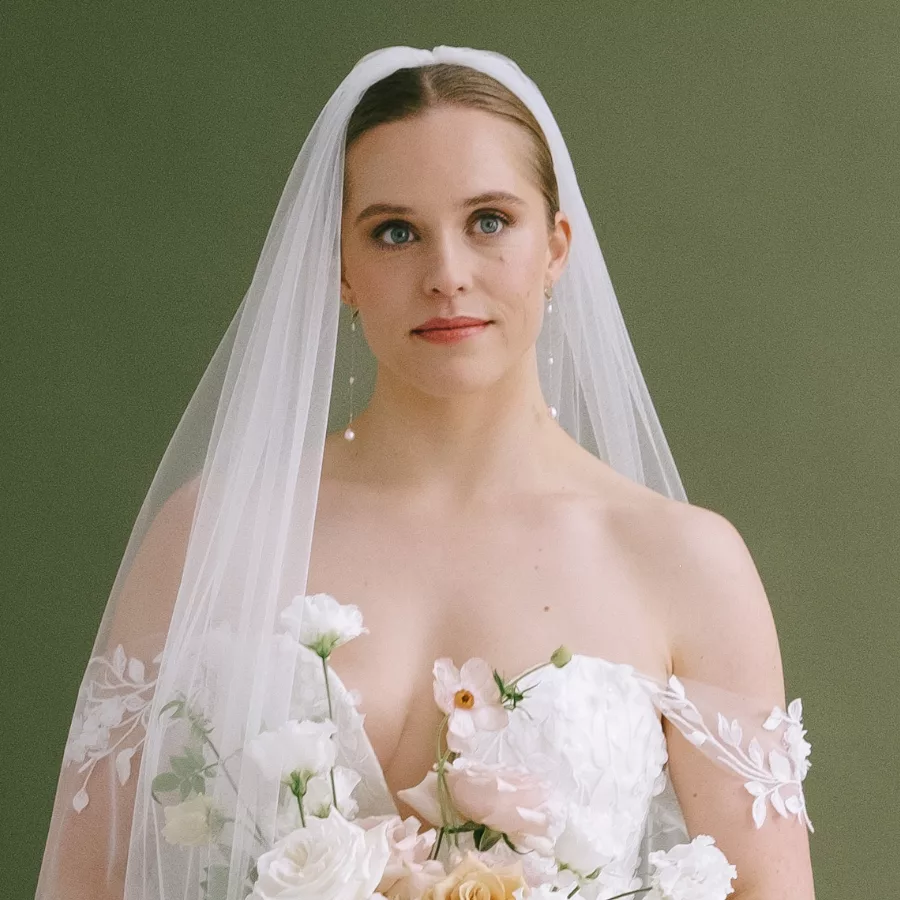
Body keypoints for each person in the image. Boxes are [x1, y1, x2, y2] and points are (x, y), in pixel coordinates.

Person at [35, 46, 816, 900]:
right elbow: (84, 885)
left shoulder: (686, 562)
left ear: (556, 247)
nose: (446, 275)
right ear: (338, 266)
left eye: (488, 220)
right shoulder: (210, 535)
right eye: (395, 231)